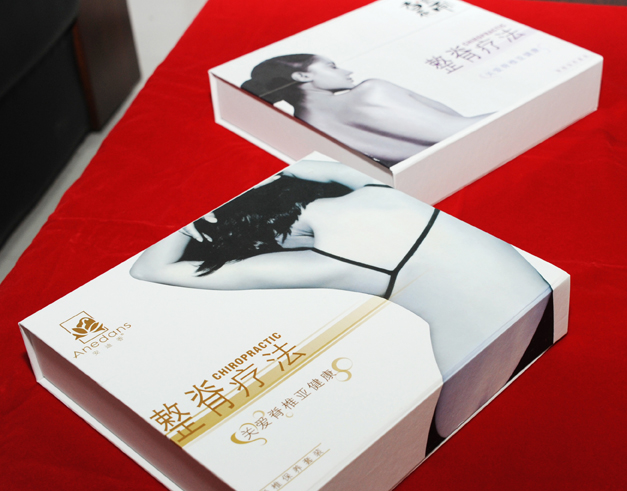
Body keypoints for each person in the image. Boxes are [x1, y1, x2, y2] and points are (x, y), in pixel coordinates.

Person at [130, 160, 552, 451]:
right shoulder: (369, 189)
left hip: (478, 370)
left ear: (266, 241)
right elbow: (307, 168)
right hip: (537, 300)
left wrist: (195, 228)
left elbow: (148, 268)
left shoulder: (329, 262)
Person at [241, 54, 490, 167]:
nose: (346, 71)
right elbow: (459, 132)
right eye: (332, 66)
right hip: (480, 158)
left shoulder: (304, 126)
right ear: (303, 76)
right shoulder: (370, 92)